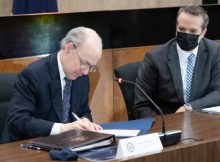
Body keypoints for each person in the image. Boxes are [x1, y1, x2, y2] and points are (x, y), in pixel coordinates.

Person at [2, 27, 103, 143]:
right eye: (84, 63)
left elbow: (83, 111)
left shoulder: (82, 77)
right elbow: (18, 121)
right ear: (68, 48)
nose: (85, 72)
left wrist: (85, 122)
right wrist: (62, 128)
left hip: (63, 146)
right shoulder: (32, 75)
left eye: (91, 67)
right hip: (26, 147)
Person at [133, 5, 220, 118]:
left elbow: (218, 92)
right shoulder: (155, 58)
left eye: (193, 31)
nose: (186, 34)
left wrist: (189, 107)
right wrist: (166, 125)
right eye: (182, 29)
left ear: (203, 32)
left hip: (202, 121)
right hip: (168, 123)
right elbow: (141, 105)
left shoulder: (215, 52)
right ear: (176, 26)